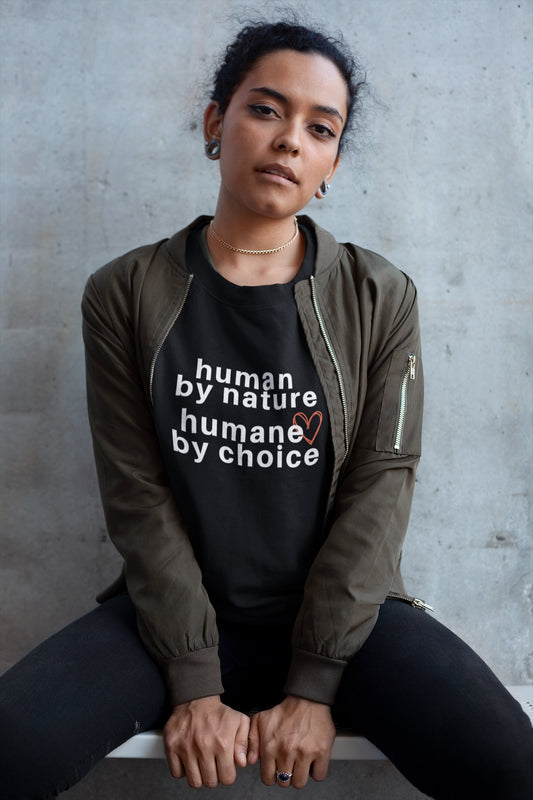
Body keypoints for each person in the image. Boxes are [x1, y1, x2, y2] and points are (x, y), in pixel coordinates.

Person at [1, 18, 532, 800]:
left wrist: (315, 684)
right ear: (216, 122)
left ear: (331, 165)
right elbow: (135, 493)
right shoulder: (124, 292)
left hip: (346, 621)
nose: (289, 140)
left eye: (320, 128)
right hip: (171, 619)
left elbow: (381, 485)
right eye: (265, 109)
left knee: (510, 767)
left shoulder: (380, 295)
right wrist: (193, 683)